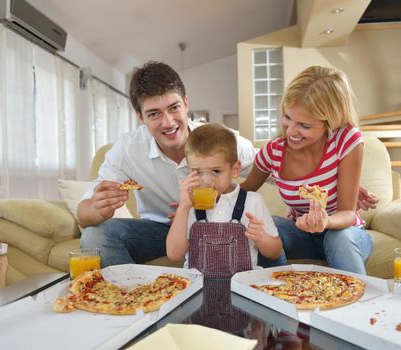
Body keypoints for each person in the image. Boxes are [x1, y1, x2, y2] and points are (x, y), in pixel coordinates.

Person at [77, 61, 260, 267]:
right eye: (154, 114)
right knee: (95, 237)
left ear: (186, 103)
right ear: (140, 117)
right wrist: (98, 207)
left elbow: (269, 167)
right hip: (159, 231)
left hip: (222, 224)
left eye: (174, 108)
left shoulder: (220, 140)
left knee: (271, 228)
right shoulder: (128, 149)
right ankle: (136, 298)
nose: (168, 122)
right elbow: (83, 216)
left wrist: (230, 198)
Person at [240, 65, 373, 274]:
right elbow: (243, 192)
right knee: (268, 225)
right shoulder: (273, 152)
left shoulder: (347, 140)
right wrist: (202, 200)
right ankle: (279, 292)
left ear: (329, 123)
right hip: (301, 234)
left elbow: (347, 213)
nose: (291, 131)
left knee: (340, 238)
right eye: (287, 117)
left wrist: (326, 222)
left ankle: (356, 303)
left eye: (304, 125)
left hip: (344, 232)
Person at [166, 123, 283, 275]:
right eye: (198, 171)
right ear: (189, 170)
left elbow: (275, 252)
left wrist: (262, 238)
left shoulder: (253, 201)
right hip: (198, 286)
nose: (207, 180)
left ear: (235, 170)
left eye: (216, 171)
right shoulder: (189, 205)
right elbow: (174, 255)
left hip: (241, 287)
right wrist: (183, 208)